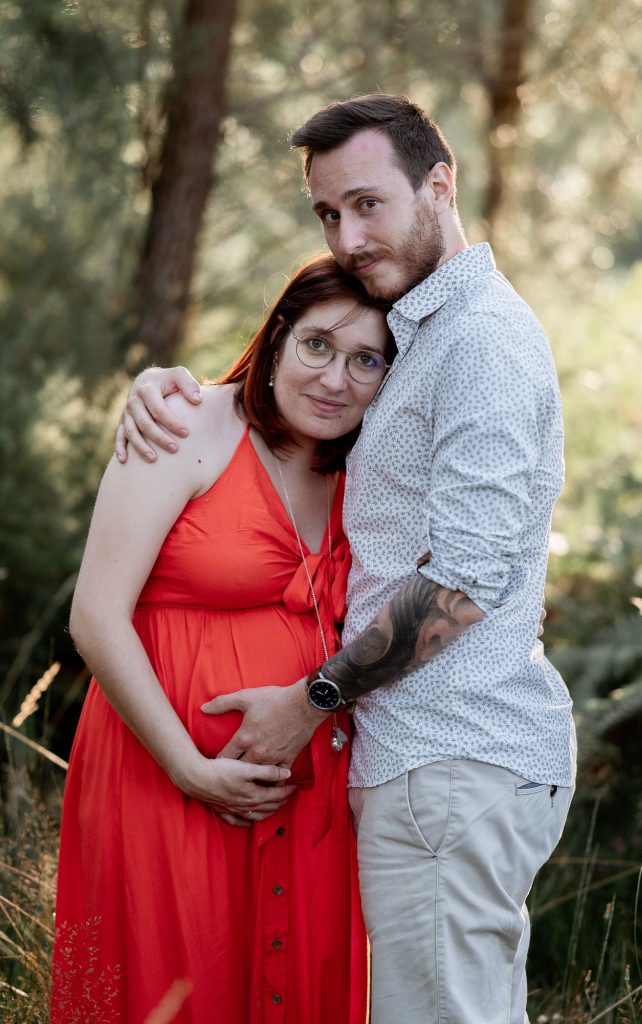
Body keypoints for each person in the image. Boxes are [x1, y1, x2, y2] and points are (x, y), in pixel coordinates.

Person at [116, 95, 577, 1024]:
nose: (349, 237)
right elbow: (297, 399)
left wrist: (310, 701)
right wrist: (169, 387)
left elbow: (465, 580)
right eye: (328, 213)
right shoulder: (423, 334)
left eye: (368, 204)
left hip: (450, 757)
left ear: (438, 185)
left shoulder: (479, 339)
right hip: (424, 764)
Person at [51, 256, 393, 1024]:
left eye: (365, 360)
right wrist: (188, 767)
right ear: (277, 338)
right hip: (160, 776)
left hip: (311, 798)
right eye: (316, 346)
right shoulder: (186, 424)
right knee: (174, 982)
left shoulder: (367, 466)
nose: (334, 380)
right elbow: (95, 616)